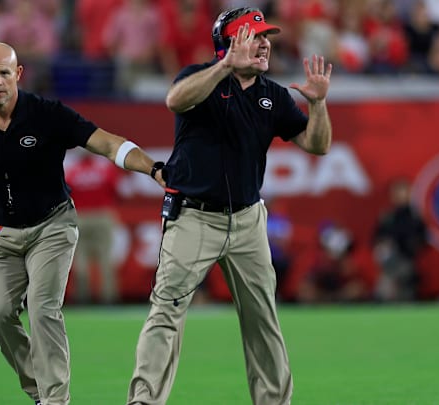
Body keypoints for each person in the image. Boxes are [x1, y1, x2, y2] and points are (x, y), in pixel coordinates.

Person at [0, 42, 164, 405]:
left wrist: (153, 167)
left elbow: (107, 144)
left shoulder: (47, 114)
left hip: (52, 225)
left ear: (18, 74)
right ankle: (40, 388)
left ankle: (54, 400)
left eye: (5, 72)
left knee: (42, 307)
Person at [126, 7, 332, 405]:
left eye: (265, 36)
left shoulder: (273, 95)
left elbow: (317, 144)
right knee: (165, 312)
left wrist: (319, 105)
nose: (265, 42)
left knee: (263, 321)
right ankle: (144, 401)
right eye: (254, 36)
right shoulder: (198, 79)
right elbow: (175, 100)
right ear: (230, 43)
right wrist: (224, 67)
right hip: (193, 218)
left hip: (247, 221)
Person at [64, 150, 122, 304]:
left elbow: (65, 193)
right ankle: (109, 298)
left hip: (80, 216)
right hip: (102, 215)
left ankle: (82, 298)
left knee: (80, 259)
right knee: (105, 258)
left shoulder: (71, 171)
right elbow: (116, 190)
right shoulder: (104, 169)